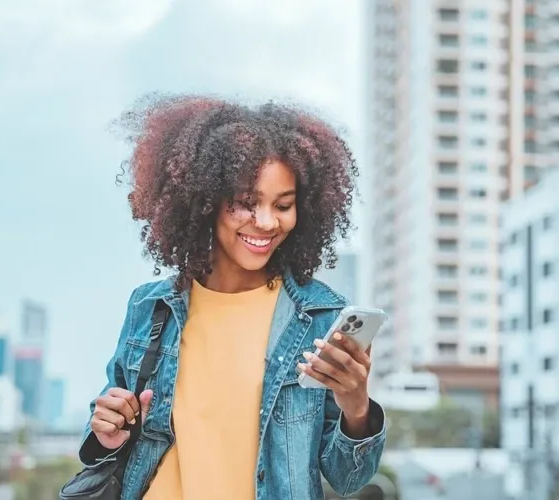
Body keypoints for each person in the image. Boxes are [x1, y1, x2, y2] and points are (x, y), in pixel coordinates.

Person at [77, 94, 386, 500]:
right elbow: (103, 435)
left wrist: (356, 405)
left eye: (283, 205)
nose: (265, 222)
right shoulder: (152, 307)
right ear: (206, 202)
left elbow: (348, 478)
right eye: (245, 203)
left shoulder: (319, 316)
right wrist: (107, 430)